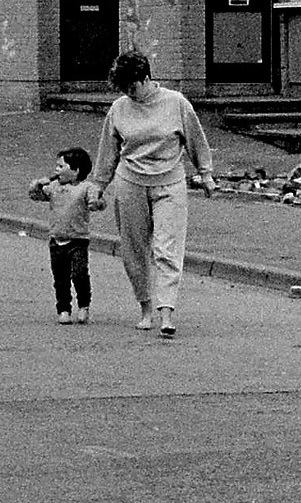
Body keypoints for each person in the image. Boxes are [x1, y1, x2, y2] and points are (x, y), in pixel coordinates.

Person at [90, 50, 214, 339]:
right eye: (123, 89)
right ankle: (145, 307)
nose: (129, 93)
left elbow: (196, 140)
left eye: (132, 87)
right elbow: (108, 152)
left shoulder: (176, 103)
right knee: (134, 249)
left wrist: (205, 174)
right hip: (130, 182)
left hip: (170, 183)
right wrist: (98, 185)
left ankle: (166, 310)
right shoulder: (119, 108)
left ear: (146, 78)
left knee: (166, 247)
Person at [27, 146, 98, 324]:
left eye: (61, 167)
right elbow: (36, 196)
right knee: (60, 278)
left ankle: (84, 305)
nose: (56, 170)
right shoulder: (54, 187)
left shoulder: (86, 187)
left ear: (76, 171)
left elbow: (97, 201)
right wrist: (37, 185)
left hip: (78, 239)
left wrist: (96, 202)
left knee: (80, 273)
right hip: (56, 239)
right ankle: (64, 308)